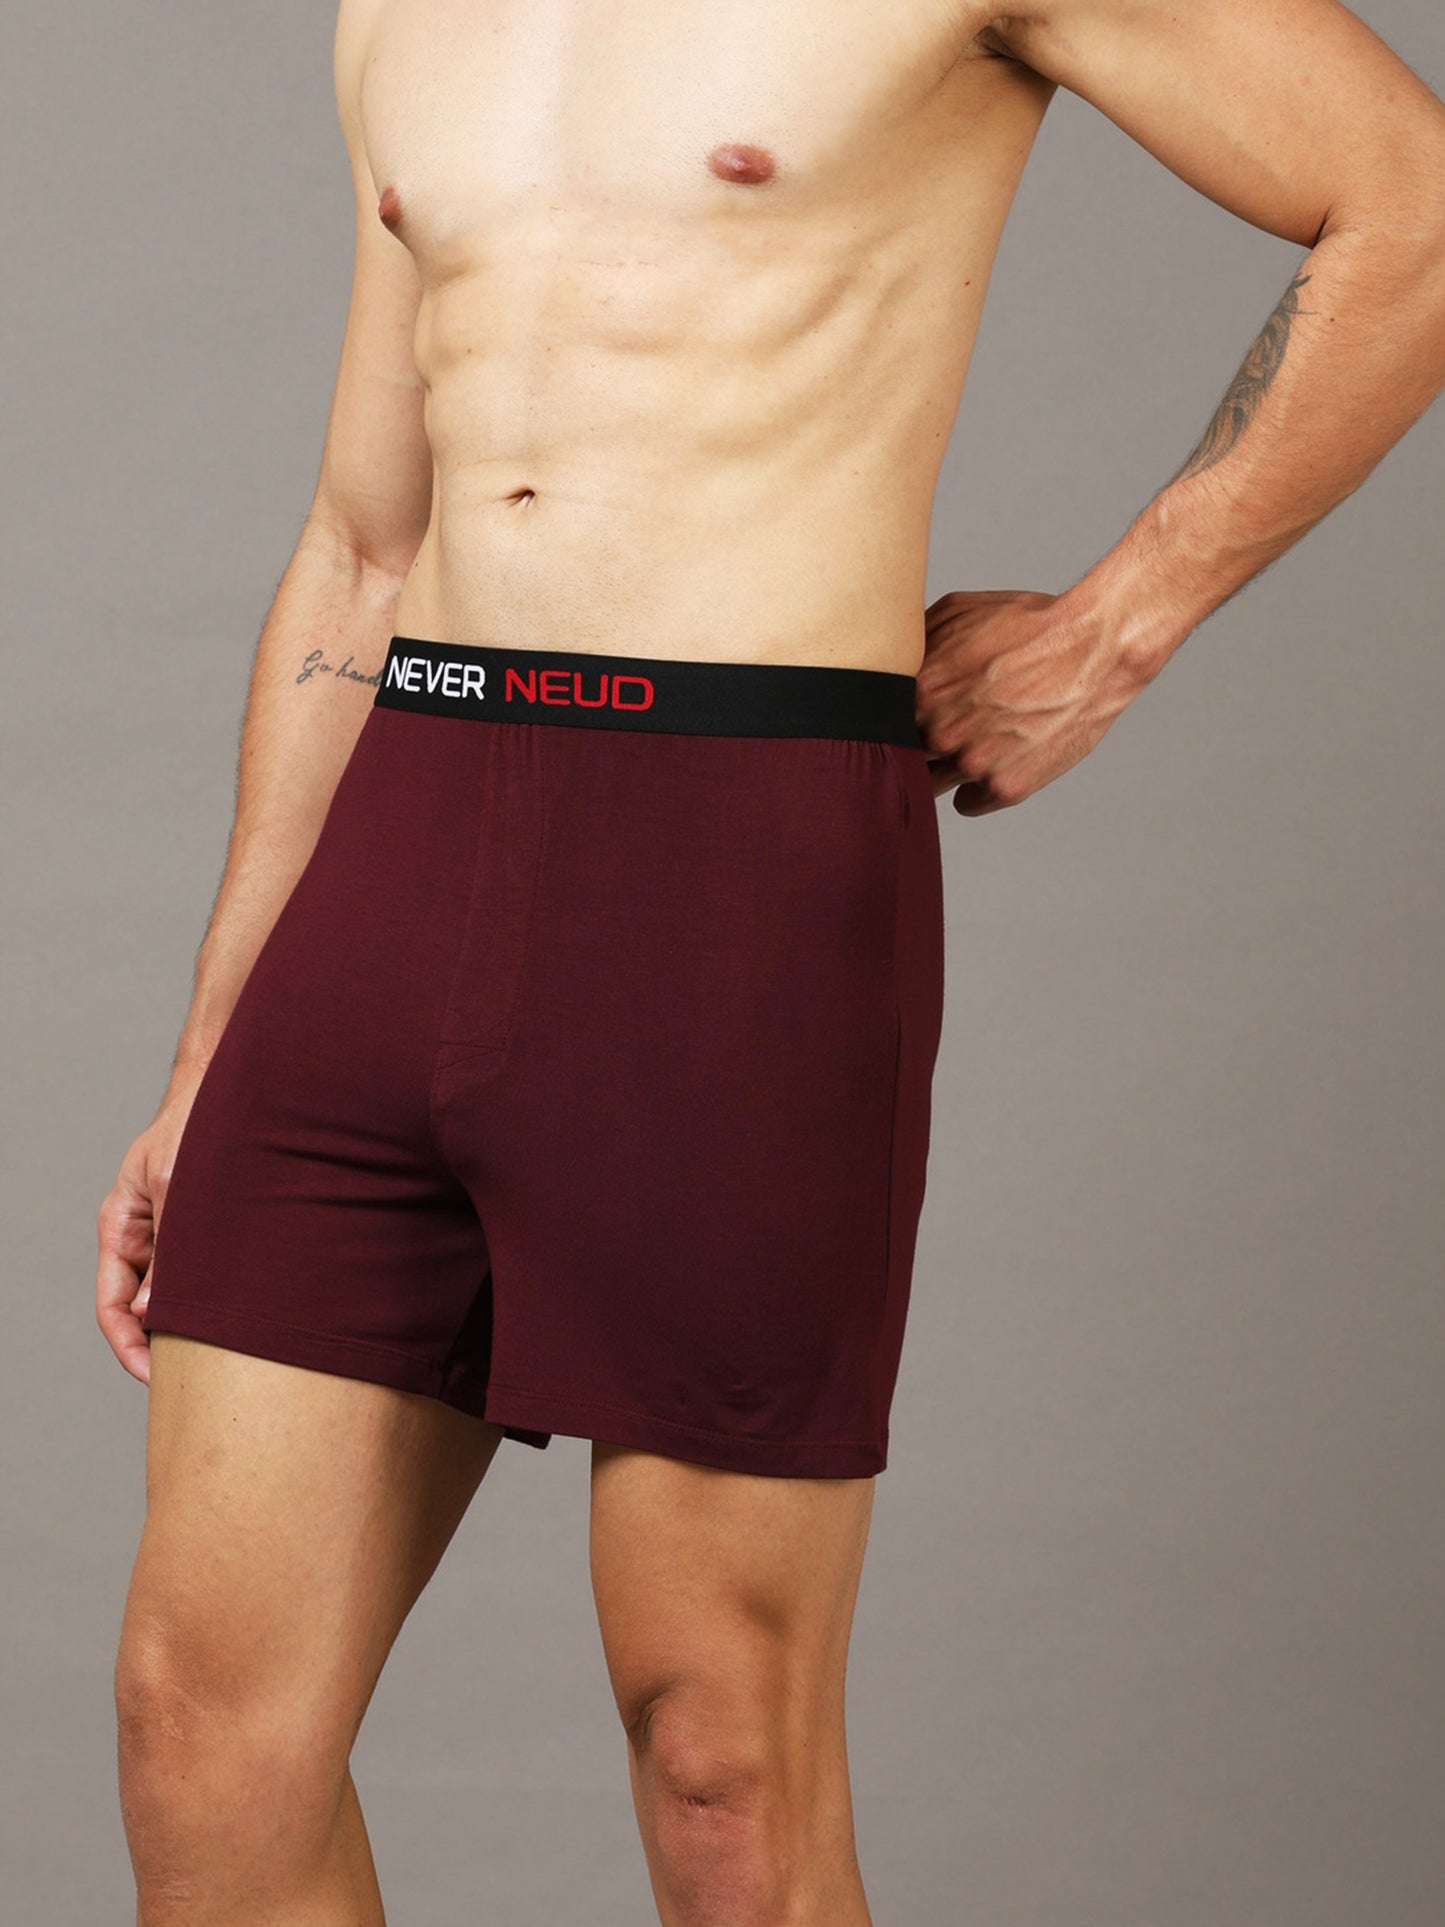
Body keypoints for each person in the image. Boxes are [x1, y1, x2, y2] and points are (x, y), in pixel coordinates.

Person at [98, 1, 1445, 1920]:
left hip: (724, 873)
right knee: (199, 1732)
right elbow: (365, 546)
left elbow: (1413, 197)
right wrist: (211, 1051)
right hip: (398, 846)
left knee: (719, 1760)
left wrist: (1114, 627)